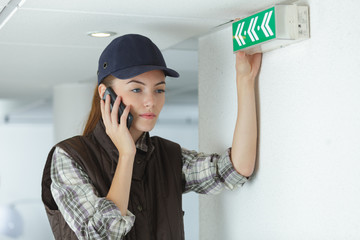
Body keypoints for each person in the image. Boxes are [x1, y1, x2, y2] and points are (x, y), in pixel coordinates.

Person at [41, 33, 261, 240]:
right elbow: (101, 236)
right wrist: (127, 155)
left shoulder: (168, 155)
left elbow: (235, 169)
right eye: (136, 90)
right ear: (104, 94)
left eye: (159, 90)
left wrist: (245, 82)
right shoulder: (69, 157)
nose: (151, 101)